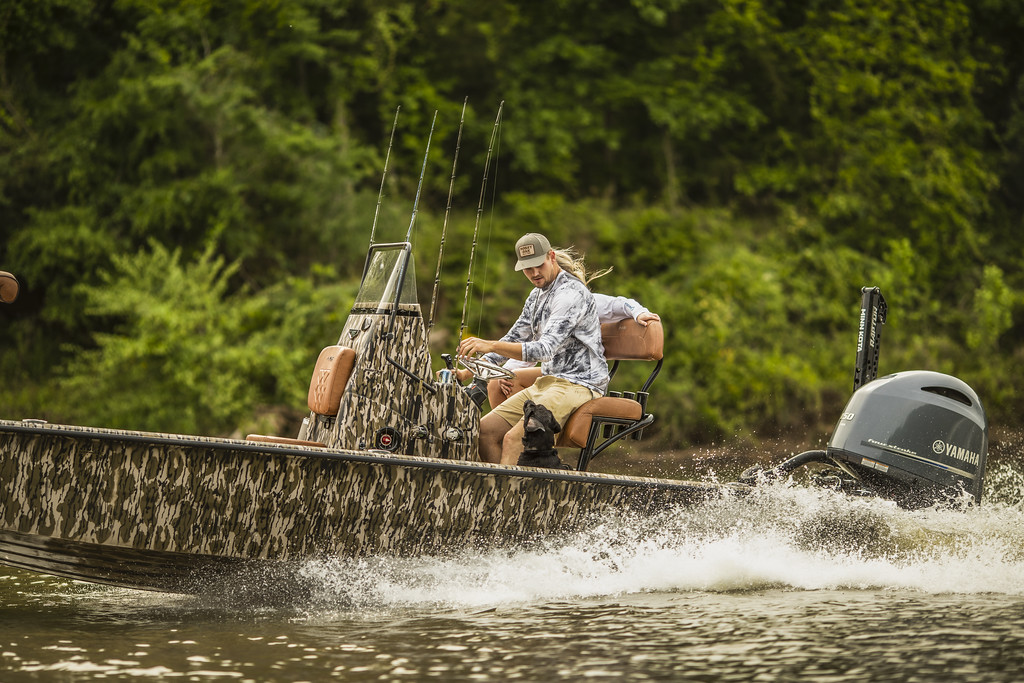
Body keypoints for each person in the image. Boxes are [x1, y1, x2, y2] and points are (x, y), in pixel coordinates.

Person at [456, 233, 609, 465]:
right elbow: (515, 337)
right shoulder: (536, 296)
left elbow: (544, 350)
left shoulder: (570, 294)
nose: (535, 273)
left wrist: (490, 343)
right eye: (528, 269)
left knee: (513, 439)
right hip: (549, 381)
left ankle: (508, 499)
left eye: (539, 265)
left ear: (552, 257)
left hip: (580, 384)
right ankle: (497, 495)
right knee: (484, 432)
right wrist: (469, 372)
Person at [488, 292, 660, 408]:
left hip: (581, 377)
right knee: (499, 382)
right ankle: (508, 438)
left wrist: (639, 312)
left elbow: (621, 304)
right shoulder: (546, 307)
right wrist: (506, 371)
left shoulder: (583, 300)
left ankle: (533, 442)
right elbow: (533, 347)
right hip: (554, 372)